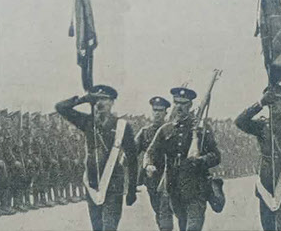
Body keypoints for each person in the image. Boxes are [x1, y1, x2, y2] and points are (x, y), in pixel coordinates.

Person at [56, 85, 139, 231]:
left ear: (112, 102)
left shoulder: (122, 126)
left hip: (113, 184)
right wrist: (82, 99)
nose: (100, 103)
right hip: (92, 185)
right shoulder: (88, 122)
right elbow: (61, 107)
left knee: (109, 226)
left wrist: (132, 189)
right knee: (97, 228)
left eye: (105, 100)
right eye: (97, 99)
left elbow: (132, 159)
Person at [144, 87, 222, 231]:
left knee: (193, 227)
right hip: (174, 188)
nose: (179, 107)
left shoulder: (201, 128)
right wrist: (148, 164)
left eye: (183, 103)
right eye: (176, 103)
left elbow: (216, 156)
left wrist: (201, 160)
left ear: (190, 105)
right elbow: (150, 152)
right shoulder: (166, 129)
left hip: (196, 187)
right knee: (182, 224)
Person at [235, 84, 281, 231]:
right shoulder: (262, 126)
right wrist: (260, 103)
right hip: (266, 187)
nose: (273, 104)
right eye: (270, 101)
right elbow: (240, 122)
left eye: (277, 100)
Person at [135, 96, 174, 231]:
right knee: (159, 210)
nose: (157, 113)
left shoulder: (172, 129)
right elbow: (133, 151)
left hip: (171, 174)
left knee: (170, 210)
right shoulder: (145, 132)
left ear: (166, 113)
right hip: (152, 177)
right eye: (155, 110)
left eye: (160, 111)